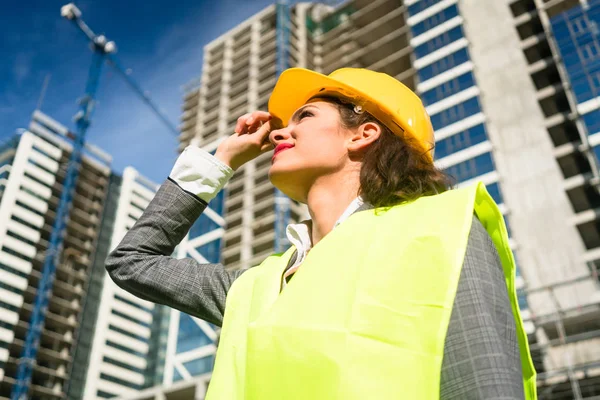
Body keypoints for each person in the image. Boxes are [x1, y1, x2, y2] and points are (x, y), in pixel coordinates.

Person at [106, 67, 537, 399]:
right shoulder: (256, 287)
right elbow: (133, 262)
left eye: (305, 116)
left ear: (364, 134)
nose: (278, 132)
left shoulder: (439, 226)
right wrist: (221, 159)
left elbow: (484, 379)